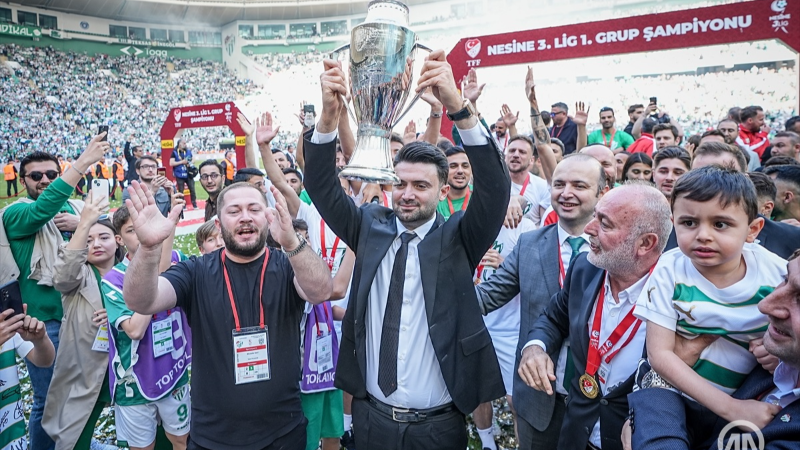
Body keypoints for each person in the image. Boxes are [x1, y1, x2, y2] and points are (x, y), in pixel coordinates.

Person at [303, 51, 510, 449]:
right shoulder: (369, 226)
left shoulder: (460, 238)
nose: (408, 194)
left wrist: (458, 107)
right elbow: (321, 184)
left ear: (443, 192)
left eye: (421, 186)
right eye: (400, 184)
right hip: (371, 420)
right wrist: (328, 118)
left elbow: (496, 187)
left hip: (437, 428)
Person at [122, 180, 333, 449]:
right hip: (213, 436)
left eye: (254, 209)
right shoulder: (196, 271)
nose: (245, 217)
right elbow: (141, 300)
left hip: (283, 432)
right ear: (219, 225)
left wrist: (292, 242)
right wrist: (149, 248)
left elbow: (321, 291)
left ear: (268, 217)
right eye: (234, 211)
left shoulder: (288, 265)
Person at [633, 166, 786, 449]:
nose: (703, 235)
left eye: (720, 224)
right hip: (674, 394)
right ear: (673, 223)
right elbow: (660, 355)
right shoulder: (670, 268)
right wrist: (732, 409)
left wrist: (779, 354)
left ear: (752, 230)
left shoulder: (776, 273)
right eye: (689, 223)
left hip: (749, 394)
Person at [519, 183, 672, 450]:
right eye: (595, 216)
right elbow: (553, 318)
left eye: (605, 224)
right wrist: (534, 347)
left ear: (645, 243)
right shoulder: (584, 267)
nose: (589, 229)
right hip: (575, 437)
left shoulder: (676, 297)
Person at [477, 154, 607, 450]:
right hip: (539, 400)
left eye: (579, 185)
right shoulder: (530, 244)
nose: (566, 193)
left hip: (599, 402)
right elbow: (486, 297)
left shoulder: (615, 250)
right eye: (559, 184)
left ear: (602, 193)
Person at [627, 248, 800, 450]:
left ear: (752, 232)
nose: (764, 305)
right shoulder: (780, 359)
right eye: (785, 279)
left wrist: (647, 417)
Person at [0, 134, 108, 450]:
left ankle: (74, 443)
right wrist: (82, 163)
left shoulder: (76, 210)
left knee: (84, 391)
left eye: (51, 173)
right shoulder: (16, 213)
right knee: (48, 399)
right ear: (23, 181)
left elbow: (111, 234)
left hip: (82, 316)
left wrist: (83, 224)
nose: (45, 180)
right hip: (41, 323)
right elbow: (42, 211)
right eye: (36, 176)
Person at [103, 201, 191, 450]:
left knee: (182, 440)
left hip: (174, 370)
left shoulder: (178, 259)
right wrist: (157, 275)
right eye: (132, 230)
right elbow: (134, 329)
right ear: (119, 239)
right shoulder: (114, 279)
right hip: (134, 381)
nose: (142, 234)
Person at [44, 193, 119, 449]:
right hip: (86, 368)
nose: (96, 244)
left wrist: (120, 313)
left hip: (127, 368)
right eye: (88, 240)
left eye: (104, 237)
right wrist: (83, 223)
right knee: (74, 436)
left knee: (149, 431)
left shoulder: (129, 272)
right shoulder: (79, 276)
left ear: (118, 241)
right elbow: (63, 275)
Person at [506, 135, 550, 225]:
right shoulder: (493, 184)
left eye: (522, 152)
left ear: (531, 160)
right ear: (505, 157)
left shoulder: (542, 186)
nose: (516, 155)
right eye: (512, 151)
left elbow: (545, 226)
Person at [436, 146, 472, 220]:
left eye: (465, 166)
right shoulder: (435, 197)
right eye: (453, 166)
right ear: (444, 171)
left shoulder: (480, 196)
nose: (460, 171)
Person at [169, 139, 197, 209]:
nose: (185, 144)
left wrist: (191, 163)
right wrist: (182, 162)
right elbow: (171, 163)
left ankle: (194, 204)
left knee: (192, 190)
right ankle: (183, 205)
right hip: (179, 174)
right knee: (181, 191)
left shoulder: (188, 151)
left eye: (185, 143)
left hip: (188, 173)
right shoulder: (175, 152)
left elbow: (194, 159)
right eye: (183, 143)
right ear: (179, 144)